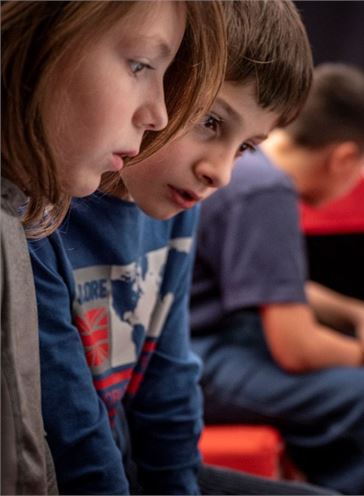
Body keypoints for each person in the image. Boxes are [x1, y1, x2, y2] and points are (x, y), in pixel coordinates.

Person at [29, 1, 326, 494]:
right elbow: (72, 435)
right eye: (210, 122)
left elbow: (168, 388)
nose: (222, 172)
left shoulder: (179, 209)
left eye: (247, 146)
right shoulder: (45, 215)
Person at [1, 2, 224, 494]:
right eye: (141, 65)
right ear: (42, 33)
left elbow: (168, 395)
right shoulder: (25, 224)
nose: (160, 115)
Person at [189, 63, 364, 495]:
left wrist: (358, 314)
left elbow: (268, 282)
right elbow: (296, 349)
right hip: (203, 359)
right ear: (344, 157)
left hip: (203, 346)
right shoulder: (267, 191)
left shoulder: (250, 165)